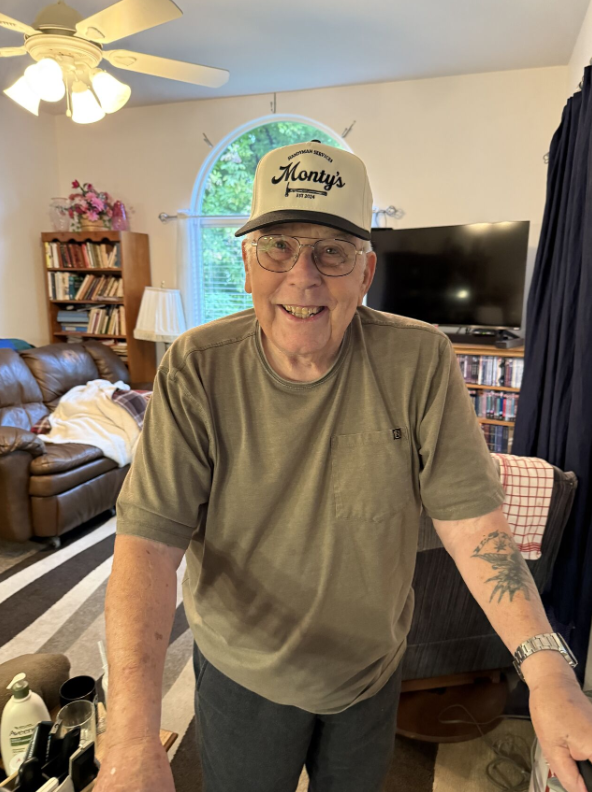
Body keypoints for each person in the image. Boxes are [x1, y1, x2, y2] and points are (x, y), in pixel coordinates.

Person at [94, 141, 592, 792]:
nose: (303, 276)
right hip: (244, 669)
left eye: (332, 250)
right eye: (278, 245)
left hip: (372, 671)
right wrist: (133, 728)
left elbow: (474, 523)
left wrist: (547, 665)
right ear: (246, 265)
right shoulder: (197, 366)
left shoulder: (422, 359)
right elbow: (148, 545)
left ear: (365, 272)